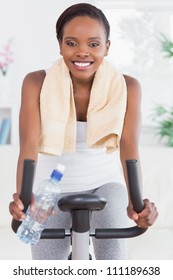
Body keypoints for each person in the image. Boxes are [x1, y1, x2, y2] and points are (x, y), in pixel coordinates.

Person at [9, 3, 158, 260]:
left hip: (105, 184)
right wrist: (24, 200)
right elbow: (29, 147)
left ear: (107, 47)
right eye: (71, 43)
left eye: (93, 44)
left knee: (113, 264)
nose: (82, 53)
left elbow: (129, 147)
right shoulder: (35, 83)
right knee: (46, 269)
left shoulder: (128, 87)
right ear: (59, 45)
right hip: (51, 189)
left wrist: (137, 203)